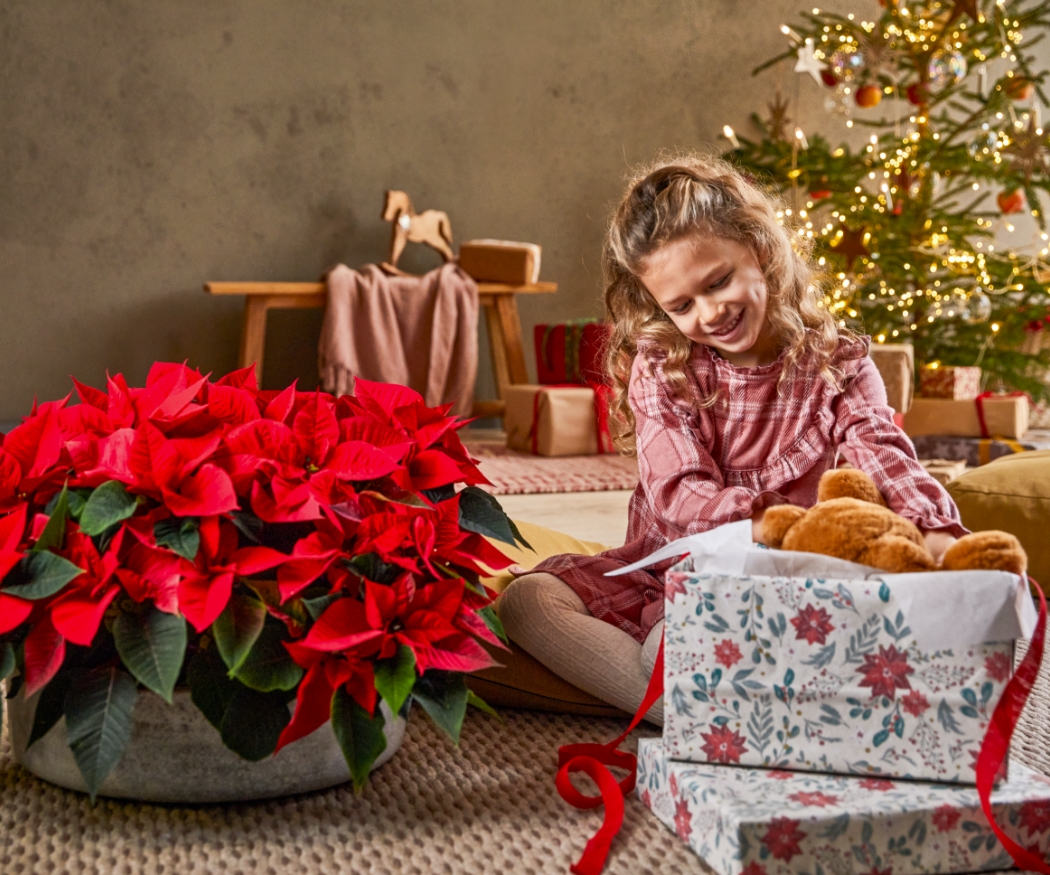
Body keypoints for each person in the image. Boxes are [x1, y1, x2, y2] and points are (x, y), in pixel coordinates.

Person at [496, 153, 967, 725]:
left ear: (762, 251)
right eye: (681, 305)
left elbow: (887, 456)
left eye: (718, 281)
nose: (710, 312)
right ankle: (690, 714)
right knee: (527, 601)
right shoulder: (663, 366)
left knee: (676, 642)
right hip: (669, 568)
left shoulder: (839, 365)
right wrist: (774, 515)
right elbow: (679, 499)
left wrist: (938, 533)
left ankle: (698, 704)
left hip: (791, 574)